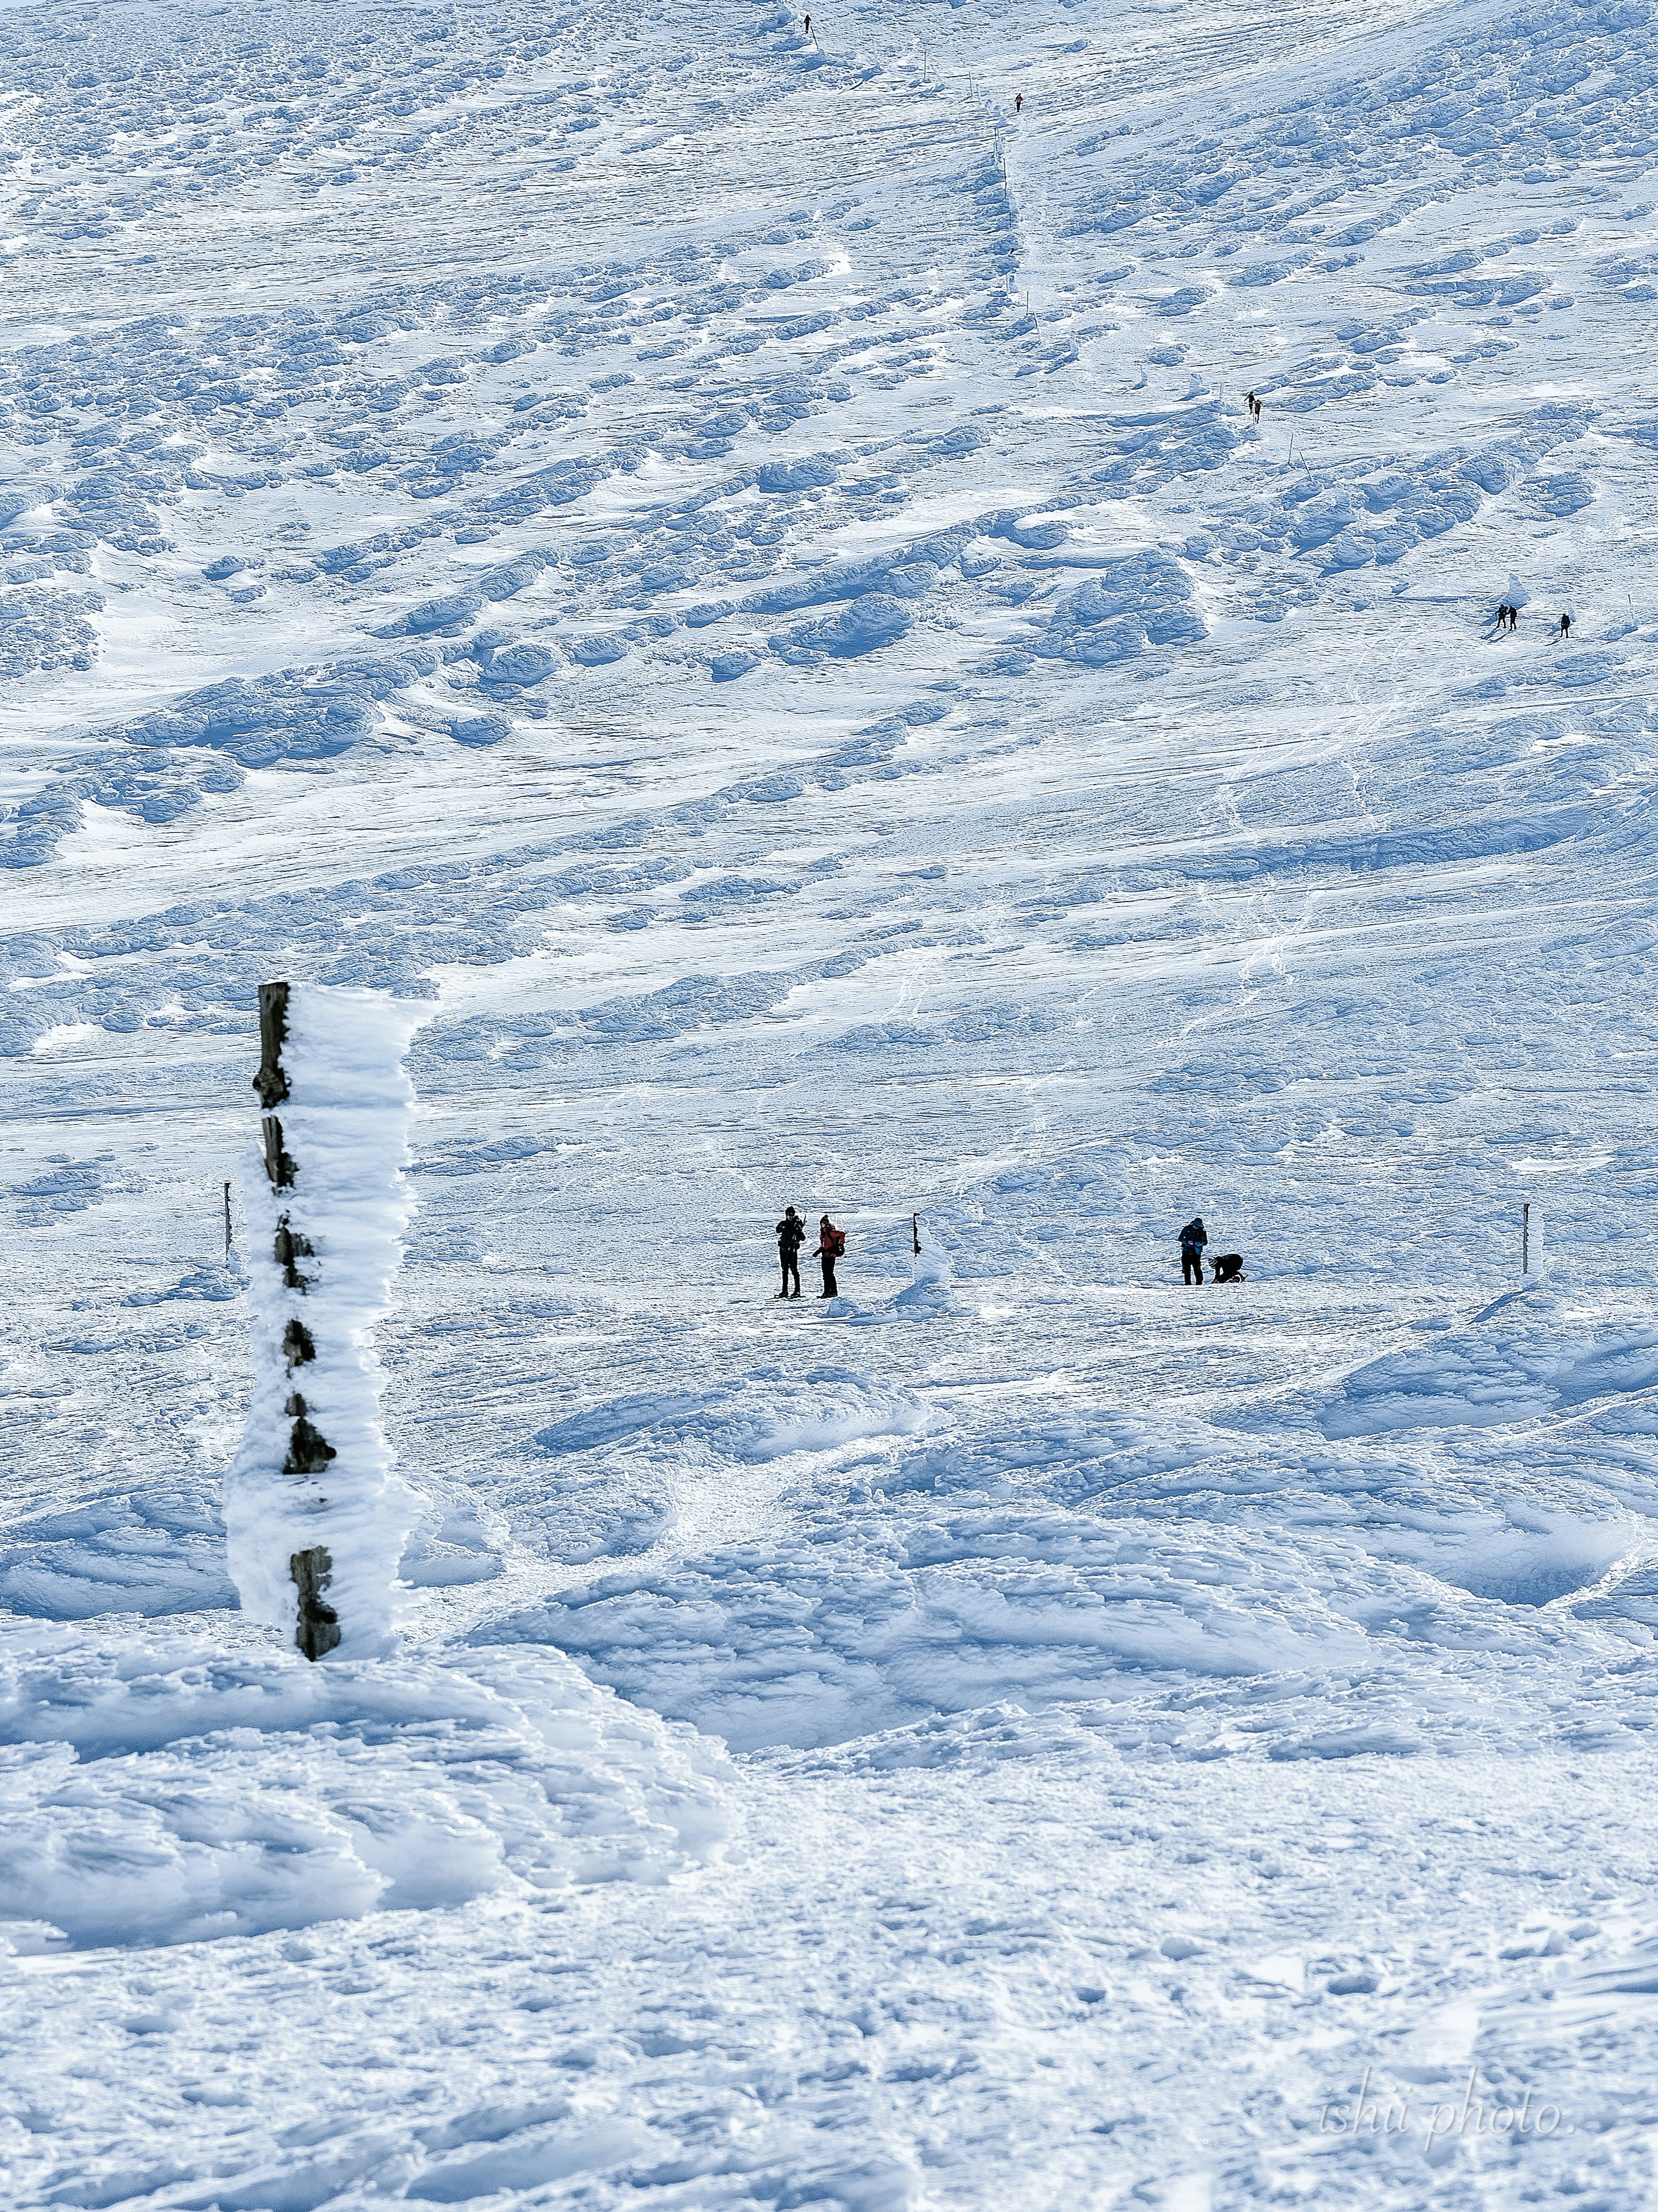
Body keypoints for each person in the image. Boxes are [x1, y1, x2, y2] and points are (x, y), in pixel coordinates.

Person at [814, 1213, 845, 1298]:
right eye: (822, 1224)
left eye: (824, 1224)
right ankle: (828, 1292)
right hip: (825, 1255)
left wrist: (840, 1246)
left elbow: (842, 1234)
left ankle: (832, 1292)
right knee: (826, 1274)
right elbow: (825, 1245)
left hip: (831, 1255)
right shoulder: (824, 1233)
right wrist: (819, 1251)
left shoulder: (831, 1232)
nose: (822, 1226)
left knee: (829, 1274)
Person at [775, 1206, 804, 1299]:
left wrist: (797, 1230)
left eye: (793, 1215)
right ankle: (784, 1291)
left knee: (794, 1270)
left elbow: (802, 1237)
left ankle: (797, 1290)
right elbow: (778, 1230)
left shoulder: (797, 1223)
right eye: (789, 1215)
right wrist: (785, 1228)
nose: (791, 1217)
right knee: (785, 1270)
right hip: (784, 1249)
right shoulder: (784, 1223)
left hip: (793, 1249)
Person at [1178, 1215, 1207, 1285]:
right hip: (1186, 1252)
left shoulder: (1202, 1232)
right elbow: (1180, 1238)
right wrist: (1187, 1242)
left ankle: (1199, 1283)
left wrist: (1197, 1243)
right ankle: (1188, 1284)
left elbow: (1205, 1242)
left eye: (1197, 1227)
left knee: (1197, 1269)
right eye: (1194, 1226)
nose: (1195, 1228)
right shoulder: (1187, 1229)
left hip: (1196, 1253)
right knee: (1187, 1269)